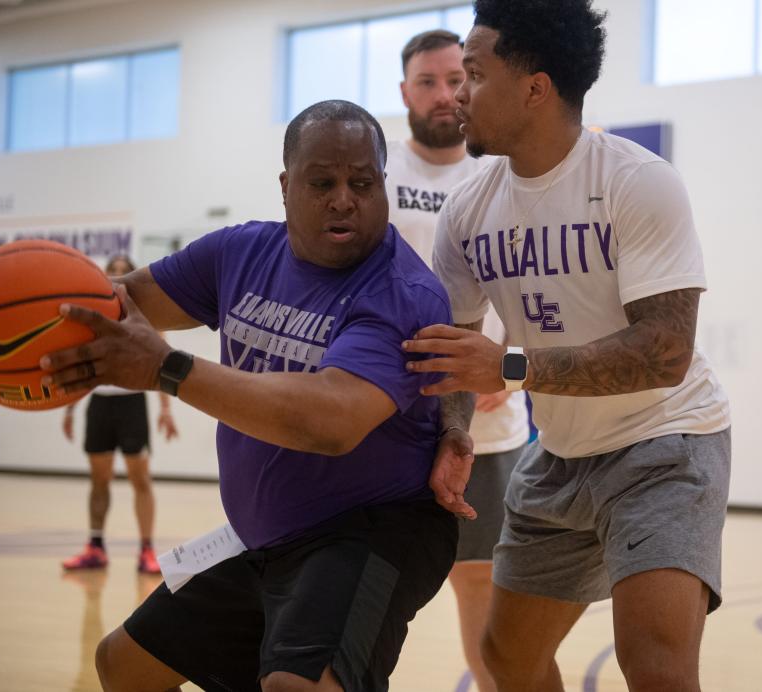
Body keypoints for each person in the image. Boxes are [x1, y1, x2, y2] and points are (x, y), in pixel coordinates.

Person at [40, 100, 458, 692]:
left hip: (370, 532)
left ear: (383, 185)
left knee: (296, 687)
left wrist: (168, 369)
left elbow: (331, 420)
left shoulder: (404, 293)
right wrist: (38, 320)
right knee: (122, 664)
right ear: (286, 186)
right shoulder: (239, 254)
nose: (344, 198)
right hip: (261, 536)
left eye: (363, 183)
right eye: (323, 182)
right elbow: (120, 304)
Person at [402, 2, 732, 691]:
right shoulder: (466, 211)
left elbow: (665, 351)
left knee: (657, 668)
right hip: (559, 456)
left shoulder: (635, 181)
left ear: (534, 87)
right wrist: (456, 430)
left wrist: (512, 368)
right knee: (508, 658)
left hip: (665, 445)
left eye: (474, 75)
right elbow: (460, 352)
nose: (459, 94)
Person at [386, 29, 528, 692]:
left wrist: (511, 363)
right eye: (427, 82)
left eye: (454, 79)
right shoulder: (374, 176)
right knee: (374, 582)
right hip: (388, 418)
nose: (444, 95)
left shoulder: (508, 169)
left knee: (482, 585)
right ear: (404, 92)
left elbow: (545, 287)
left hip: (488, 426)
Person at [61, 255, 179, 575]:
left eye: (121, 271)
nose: (115, 276)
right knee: (99, 480)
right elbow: (79, 362)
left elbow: (164, 360)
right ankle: (95, 547)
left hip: (132, 404)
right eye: (110, 271)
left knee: (140, 480)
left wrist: (166, 411)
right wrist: (71, 408)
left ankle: (147, 551)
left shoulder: (144, 317)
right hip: (99, 402)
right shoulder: (92, 317)